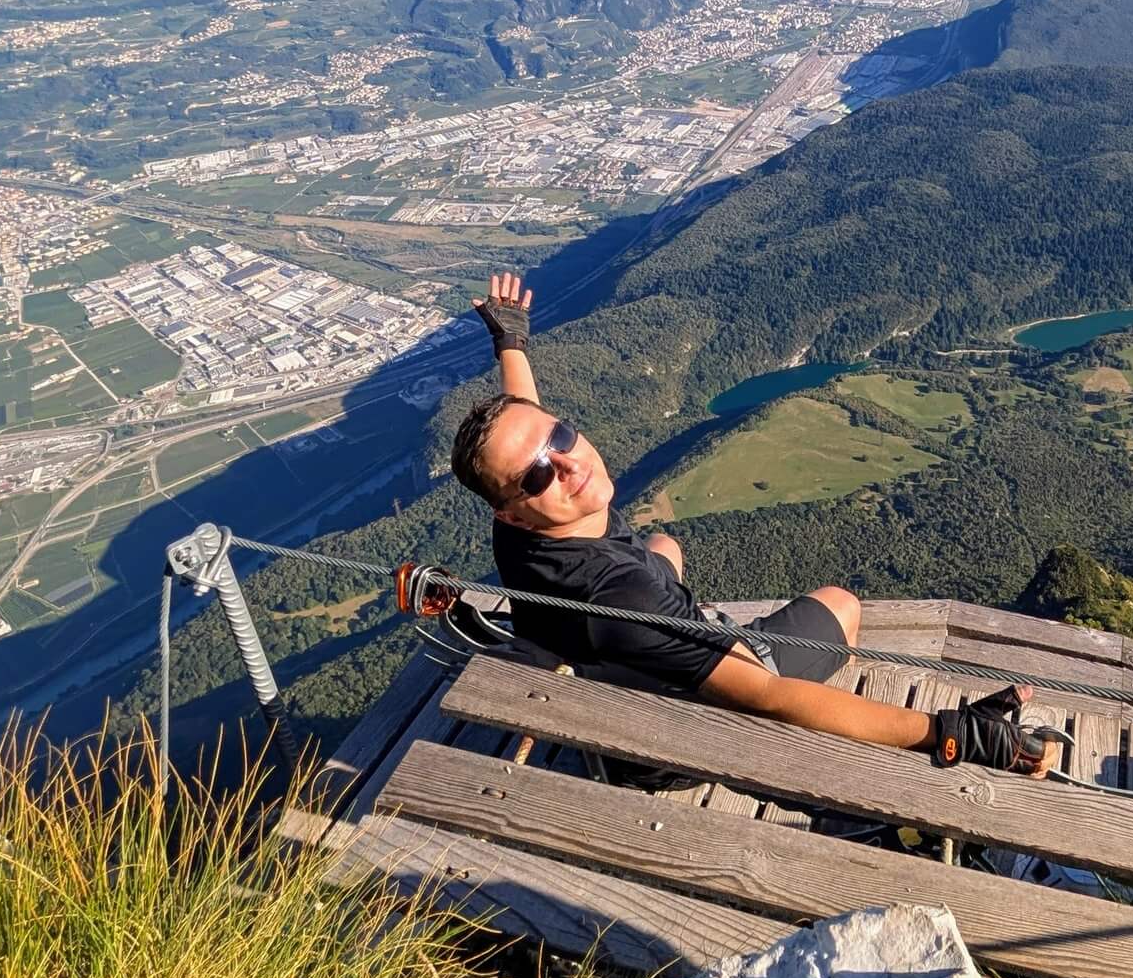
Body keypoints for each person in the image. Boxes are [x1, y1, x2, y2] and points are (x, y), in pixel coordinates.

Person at [446, 271, 1060, 774]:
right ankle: (699, 651)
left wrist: (511, 343)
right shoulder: (622, 596)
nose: (566, 463)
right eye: (536, 476)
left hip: (609, 656)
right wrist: (949, 734)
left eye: (560, 436)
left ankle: (684, 640)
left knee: (664, 543)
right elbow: (771, 696)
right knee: (841, 605)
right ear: (513, 508)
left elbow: (522, 421)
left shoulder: (516, 526)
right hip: (671, 726)